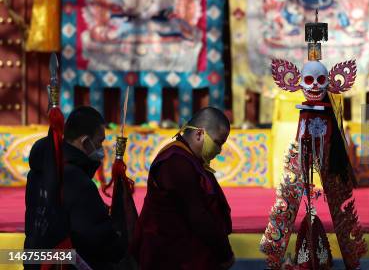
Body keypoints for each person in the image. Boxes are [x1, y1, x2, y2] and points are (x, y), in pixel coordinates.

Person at [24, 105, 128, 269]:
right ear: (85, 142)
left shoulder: (38, 171)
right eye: (99, 142)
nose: (101, 149)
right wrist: (120, 243)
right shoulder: (75, 179)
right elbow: (95, 236)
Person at [131, 107, 234, 269]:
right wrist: (224, 254)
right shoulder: (176, 162)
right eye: (218, 143)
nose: (219, 151)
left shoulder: (190, 159)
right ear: (200, 134)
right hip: (172, 257)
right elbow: (198, 215)